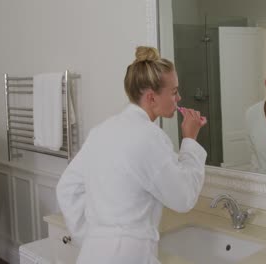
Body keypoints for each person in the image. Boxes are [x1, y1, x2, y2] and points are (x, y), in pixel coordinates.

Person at [56, 46, 207, 264]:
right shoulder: (150, 137)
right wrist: (190, 140)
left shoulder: (101, 131)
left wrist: (96, 238)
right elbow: (183, 198)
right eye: (174, 92)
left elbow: (66, 189)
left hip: (91, 255)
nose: (179, 97)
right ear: (151, 98)